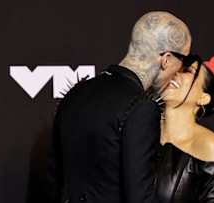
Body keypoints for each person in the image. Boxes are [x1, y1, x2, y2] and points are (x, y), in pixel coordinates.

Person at [45, 11, 193, 203]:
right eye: (183, 62)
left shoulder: (76, 94)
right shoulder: (141, 108)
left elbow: (53, 182)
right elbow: (139, 197)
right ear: (166, 59)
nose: (178, 73)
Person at [155, 56, 214, 203]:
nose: (175, 72)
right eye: (173, 68)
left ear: (203, 98)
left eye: (187, 71)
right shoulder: (137, 134)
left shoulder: (208, 144)